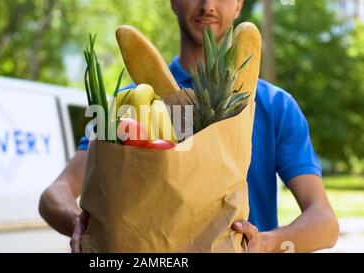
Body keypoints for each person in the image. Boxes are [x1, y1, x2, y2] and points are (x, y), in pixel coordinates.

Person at [39, 0, 339, 253]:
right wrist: (77, 223)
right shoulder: (131, 102)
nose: (208, 5)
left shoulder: (275, 106)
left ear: (239, 5)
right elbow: (55, 193)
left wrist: (268, 242)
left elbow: (324, 221)